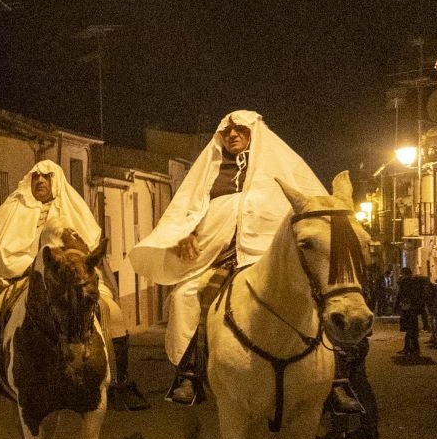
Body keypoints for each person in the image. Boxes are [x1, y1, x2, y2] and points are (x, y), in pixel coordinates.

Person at [129, 111, 343, 407]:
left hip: (270, 258)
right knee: (184, 297)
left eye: (239, 130)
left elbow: (311, 203)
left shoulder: (281, 166)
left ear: (254, 132)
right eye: (226, 132)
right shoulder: (211, 171)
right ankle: (189, 374)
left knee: (315, 295)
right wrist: (187, 234)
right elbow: (188, 209)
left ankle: (339, 380)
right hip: (218, 258)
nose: (232, 135)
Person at [0, 160, 148, 409]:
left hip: (67, 278)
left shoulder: (71, 209)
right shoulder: (12, 208)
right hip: (19, 277)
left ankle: (122, 383)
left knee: (115, 313)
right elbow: (1, 248)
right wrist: (25, 265)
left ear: (56, 180)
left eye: (46, 177)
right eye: (36, 177)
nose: (41, 181)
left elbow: (86, 247)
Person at [398, 268, 430, 358]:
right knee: (412, 329)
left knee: (410, 329)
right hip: (414, 309)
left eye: (402, 274)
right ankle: (411, 348)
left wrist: (398, 306)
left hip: (408, 309)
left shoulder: (406, 282)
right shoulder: (415, 282)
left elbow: (402, 295)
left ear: (405, 274)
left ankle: (412, 349)